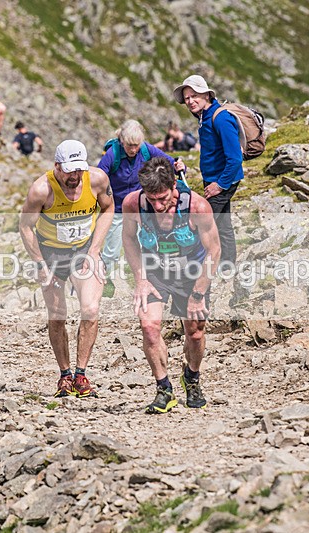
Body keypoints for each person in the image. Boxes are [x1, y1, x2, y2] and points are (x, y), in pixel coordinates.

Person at [122, 157, 220, 414]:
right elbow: (129, 240)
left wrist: (198, 294)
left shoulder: (197, 206)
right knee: (149, 325)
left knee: (195, 332)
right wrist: (140, 279)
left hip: (191, 273)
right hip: (155, 272)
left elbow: (214, 251)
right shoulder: (134, 204)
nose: (157, 205)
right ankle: (163, 389)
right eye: (151, 198)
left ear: (174, 186)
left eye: (162, 198)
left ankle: (192, 378)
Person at [19, 140, 115, 398]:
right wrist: (40, 263)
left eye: (78, 171)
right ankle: (64, 374)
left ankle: (81, 374)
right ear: (57, 166)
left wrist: (95, 250)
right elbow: (26, 226)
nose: (74, 177)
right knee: (57, 314)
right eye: (69, 171)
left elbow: (108, 209)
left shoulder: (96, 180)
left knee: (91, 309)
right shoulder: (41, 190)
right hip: (51, 253)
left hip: (83, 250)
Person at [97, 120, 185, 298]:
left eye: (136, 145)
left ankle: (144, 278)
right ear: (122, 141)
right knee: (112, 249)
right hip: (118, 208)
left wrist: (179, 166)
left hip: (141, 207)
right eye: (129, 145)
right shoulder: (112, 154)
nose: (133, 150)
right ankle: (101, 279)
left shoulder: (146, 149)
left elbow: (167, 162)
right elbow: (99, 175)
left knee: (145, 243)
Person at [174, 75, 242, 268]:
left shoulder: (220, 118)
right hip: (215, 179)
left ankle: (201, 266)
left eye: (194, 95)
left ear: (206, 95)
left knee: (200, 221)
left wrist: (219, 186)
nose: (190, 101)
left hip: (223, 181)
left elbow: (235, 158)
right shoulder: (204, 117)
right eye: (187, 98)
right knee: (223, 224)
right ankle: (227, 266)